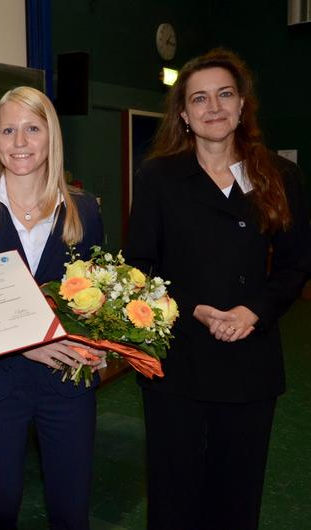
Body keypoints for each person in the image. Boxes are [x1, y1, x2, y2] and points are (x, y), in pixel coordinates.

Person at [125, 49, 311, 530]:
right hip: (177, 355)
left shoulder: (279, 175)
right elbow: (139, 266)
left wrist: (255, 310)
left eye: (224, 94)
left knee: (238, 493)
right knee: (173, 493)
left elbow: (295, 264)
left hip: (250, 356)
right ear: (184, 114)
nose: (214, 107)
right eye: (200, 98)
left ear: (242, 104)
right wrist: (193, 310)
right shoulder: (158, 176)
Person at [0, 86, 105, 530]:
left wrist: (103, 340)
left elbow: (94, 296)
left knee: (71, 512)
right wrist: (27, 344)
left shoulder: (84, 212)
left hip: (68, 382)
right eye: (8, 130)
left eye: (32, 128)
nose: (19, 142)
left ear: (51, 136)